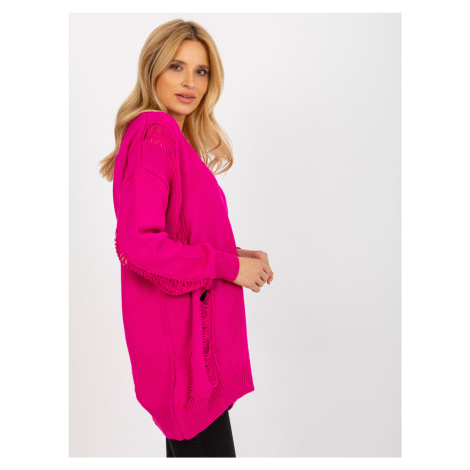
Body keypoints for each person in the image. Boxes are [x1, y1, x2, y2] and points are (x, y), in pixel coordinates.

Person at [99, 19, 274, 457]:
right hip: (187, 362)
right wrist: (228, 266)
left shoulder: (172, 141)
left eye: (201, 71)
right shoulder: (154, 133)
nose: (190, 82)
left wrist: (236, 256)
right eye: (177, 66)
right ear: (152, 69)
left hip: (193, 358)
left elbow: (177, 237)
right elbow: (140, 245)